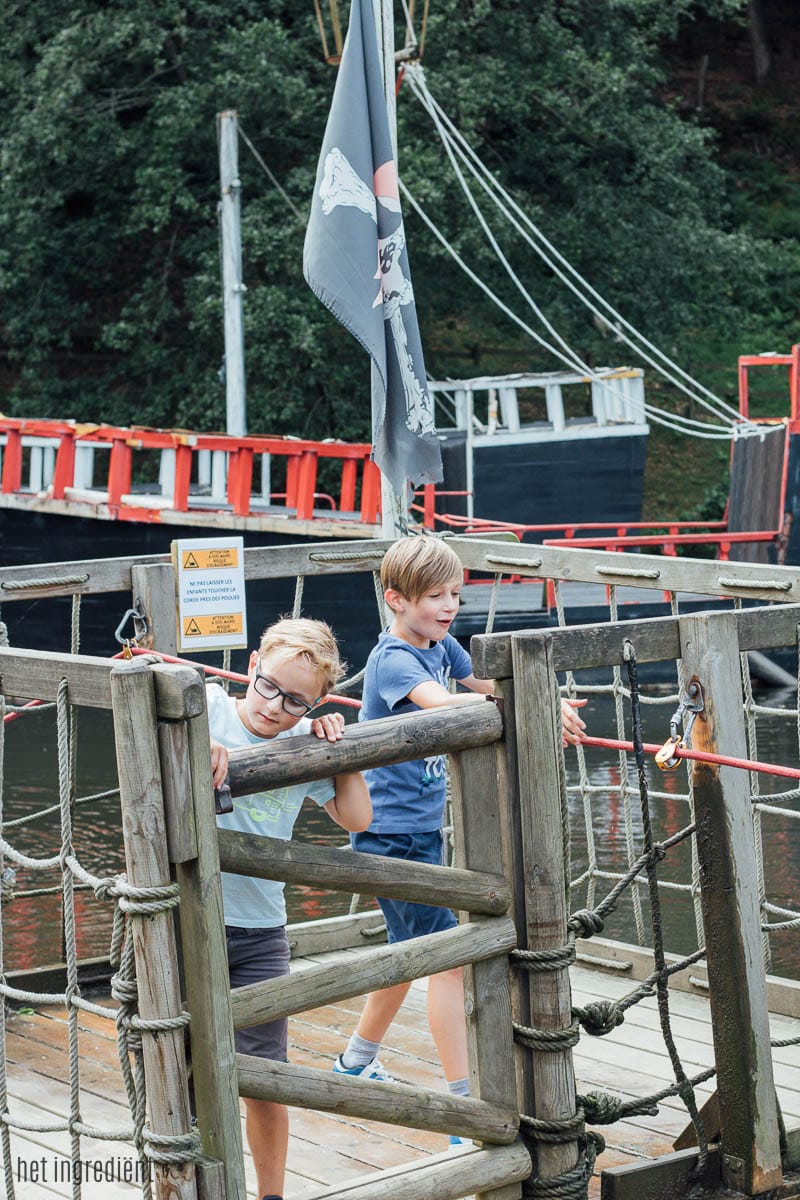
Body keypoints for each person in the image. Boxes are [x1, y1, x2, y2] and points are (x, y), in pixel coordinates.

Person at [333, 536, 587, 1135]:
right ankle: (462, 1106)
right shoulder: (395, 659)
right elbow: (444, 706)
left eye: (455, 595)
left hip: (421, 829)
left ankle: (354, 1061)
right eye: (434, 597)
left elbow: (487, 688)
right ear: (396, 599)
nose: (448, 607)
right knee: (447, 963)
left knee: (406, 953)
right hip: (390, 834)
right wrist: (526, 712)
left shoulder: (440, 644)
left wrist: (544, 701)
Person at [208, 617, 372, 1200]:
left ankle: (270, 1194)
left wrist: (340, 751)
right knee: (182, 1064)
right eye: (268, 686)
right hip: (188, 924)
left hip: (260, 933)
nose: (275, 707)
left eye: (296, 701)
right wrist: (191, 740)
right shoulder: (207, 708)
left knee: (266, 1077)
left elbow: (356, 818)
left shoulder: (304, 738)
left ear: (317, 703)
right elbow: (144, 674)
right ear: (252, 665)